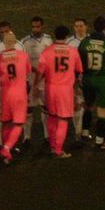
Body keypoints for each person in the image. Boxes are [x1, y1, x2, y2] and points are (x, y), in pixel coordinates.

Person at [36, 25, 83, 158]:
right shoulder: (73, 51)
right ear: (67, 36)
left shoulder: (47, 51)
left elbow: (40, 71)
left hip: (50, 87)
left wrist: (35, 86)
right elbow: (79, 71)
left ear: (55, 35)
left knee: (52, 116)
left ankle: (52, 145)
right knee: (63, 119)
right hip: (65, 88)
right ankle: (58, 150)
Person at [78, 17, 105, 151]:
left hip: (87, 79)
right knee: (102, 111)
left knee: (88, 106)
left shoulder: (84, 42)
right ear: (104, 28)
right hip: (102, 80)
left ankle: (85, 133)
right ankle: (99, 141)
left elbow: (79, 59)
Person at [0, 31, 31, 164]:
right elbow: (27, 72)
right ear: (15, 42)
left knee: (6, 123)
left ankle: (6, 154)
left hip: (5, 94)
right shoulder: (23, 55)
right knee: (19, 123)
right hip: (19, 93)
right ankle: (7, 148)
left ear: (4, 43)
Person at [21, 16, 54, 145]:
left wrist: (44, 71)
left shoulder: (48, 39)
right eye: (33, 27)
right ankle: (27, 136)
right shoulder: (25, 42)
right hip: (31, 79)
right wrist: (36, 70)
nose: (35, 29)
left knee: (45, 107)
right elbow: (23, 61)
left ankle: (47, 135)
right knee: (28, 108)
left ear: (42, 26)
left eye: (38, 26)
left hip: (45, 79)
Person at [66, 18, 89, 140]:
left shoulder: (91, 39)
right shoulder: (69, 42)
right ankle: (78, 131)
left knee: (87, 103)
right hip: (75, 77)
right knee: (77, 103)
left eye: (81, 26)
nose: (79, 28)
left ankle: (84, 128)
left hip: (89, 76)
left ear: (86, 27)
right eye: (76, 26)